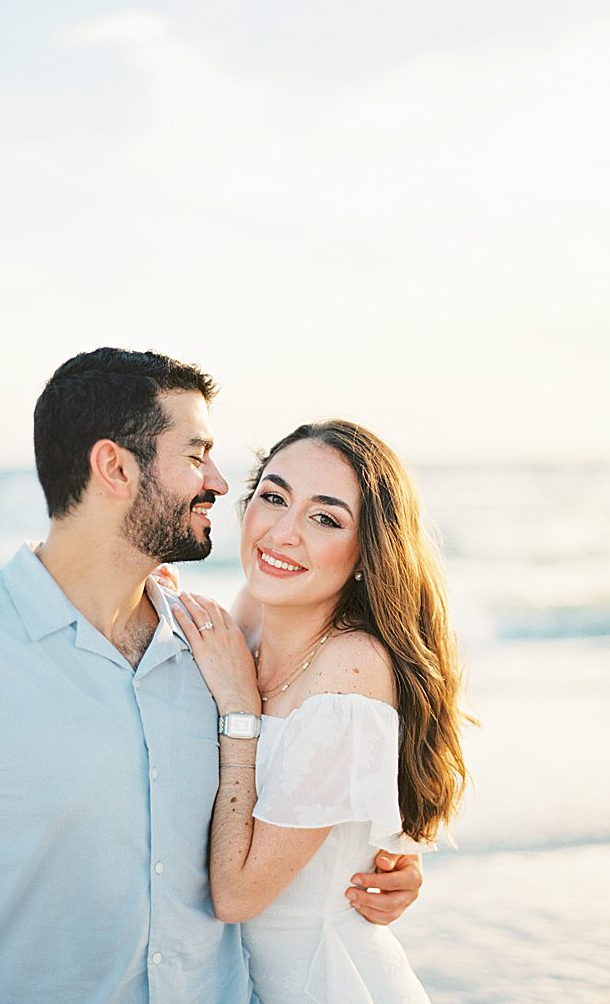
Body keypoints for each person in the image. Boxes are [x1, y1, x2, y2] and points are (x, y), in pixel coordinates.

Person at [0, 348, 422, 1003]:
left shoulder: (205, 650)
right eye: (195, 454)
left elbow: (299, 800)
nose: (218, 480)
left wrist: (367, 868)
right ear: (115, 467)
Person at [169, 420, 470, 1002]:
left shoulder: (350, 671)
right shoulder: (256, 611)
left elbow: (237, 897)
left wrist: (240, 712)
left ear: (367, 551)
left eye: (325, 518)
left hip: (323, 982)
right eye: (274, 498)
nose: (282, 533)